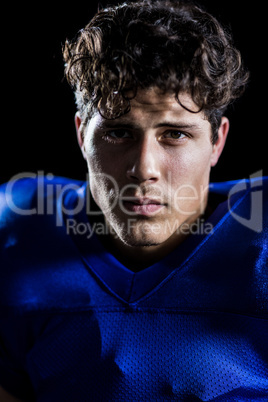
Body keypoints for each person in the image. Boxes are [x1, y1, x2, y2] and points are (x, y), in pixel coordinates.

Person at [0, 0, 267, 400]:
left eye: (174, 134)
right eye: (118, 132)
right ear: (80, 134)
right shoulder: (20, 233)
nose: (144, 169)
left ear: (217, 141)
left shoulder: (259, 248)